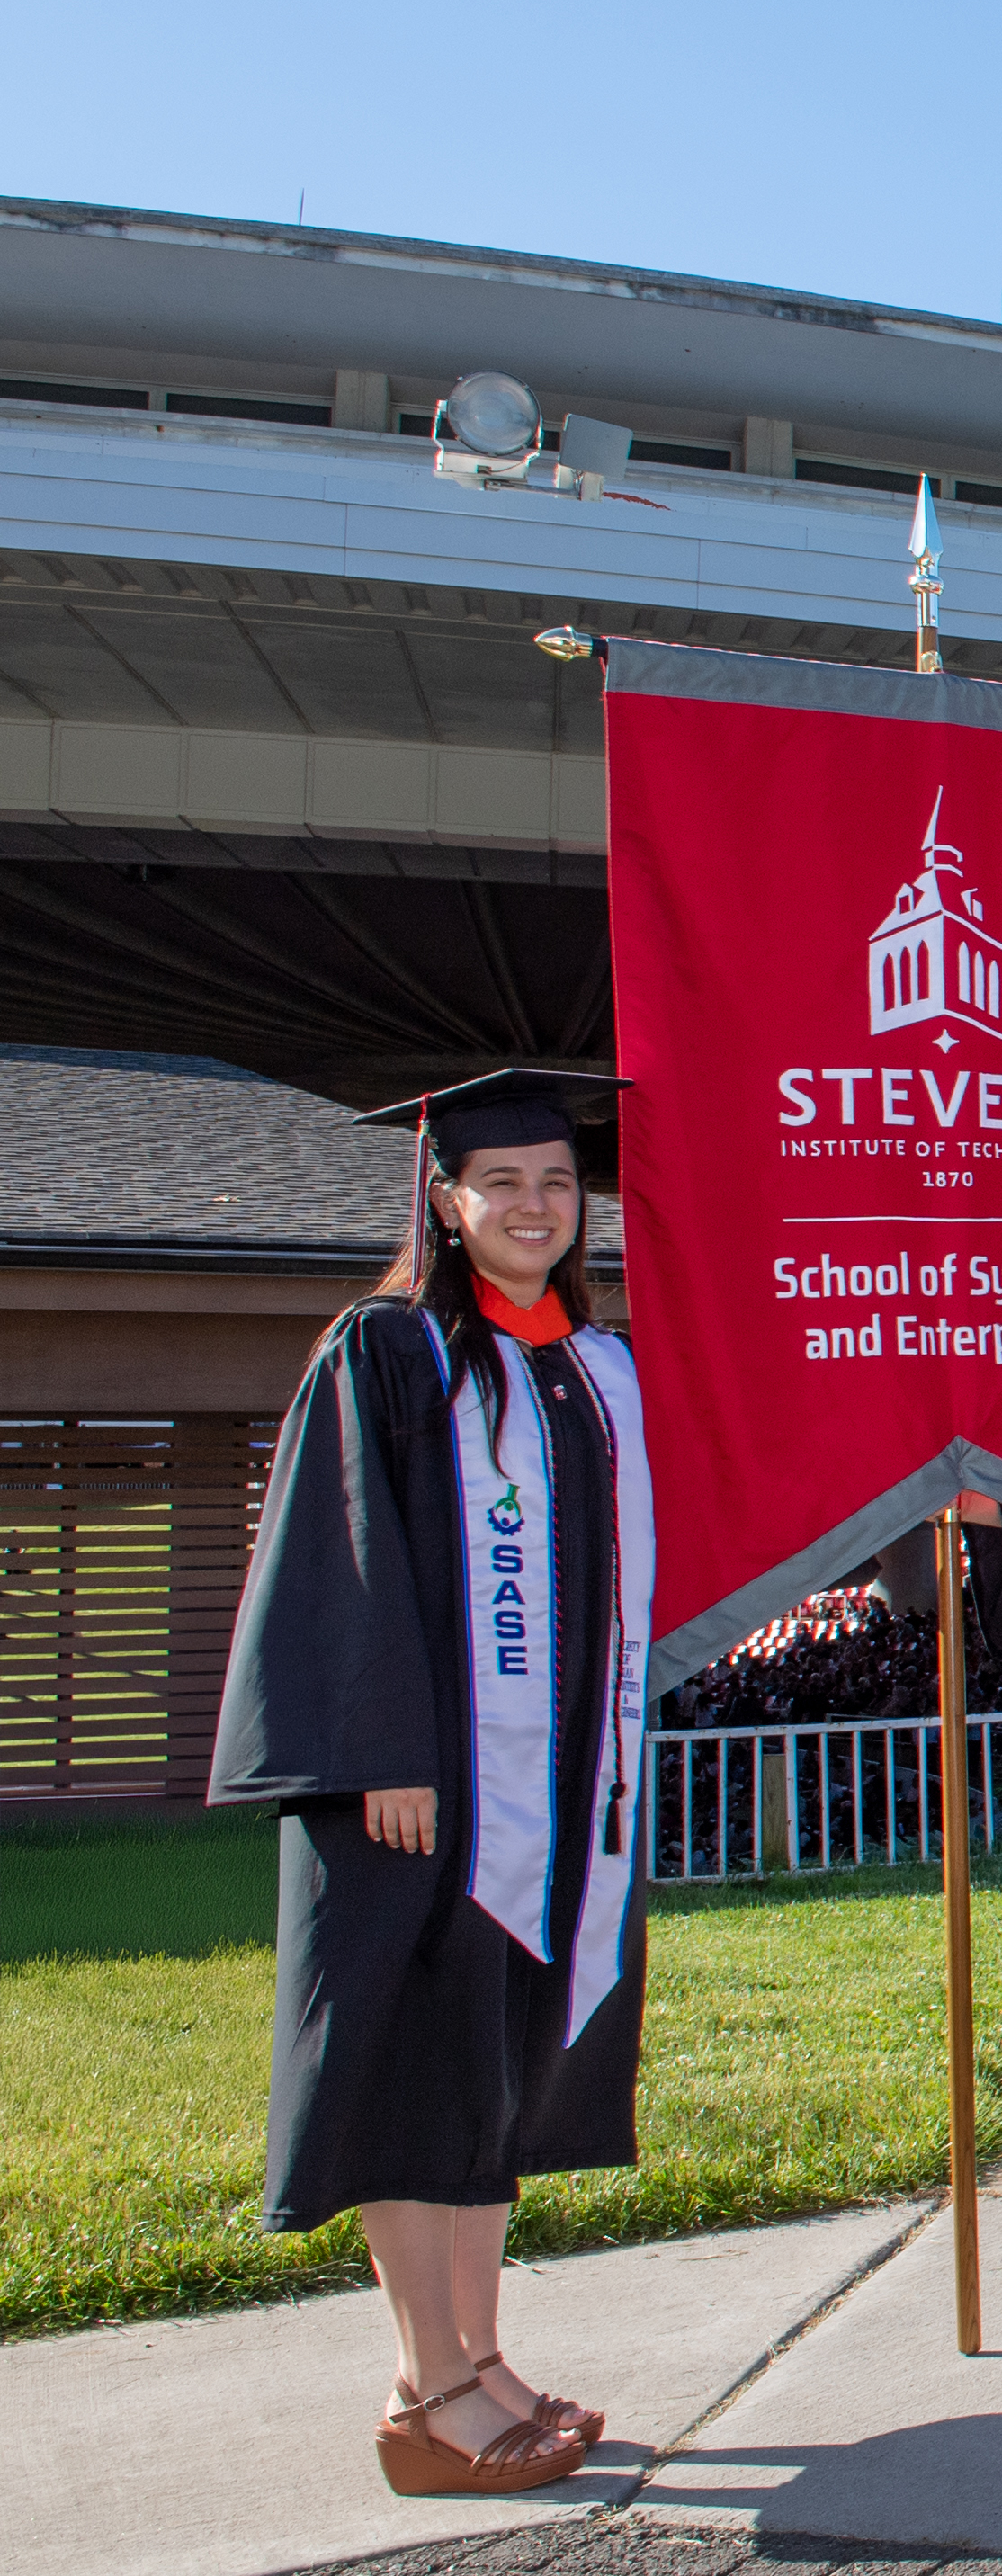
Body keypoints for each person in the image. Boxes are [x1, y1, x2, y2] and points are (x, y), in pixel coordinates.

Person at [218, 1069, 647, 2496]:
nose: (532, 1207)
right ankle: (427, 2391)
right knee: (411, 2073)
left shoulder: (588, 1369)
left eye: (554, 1185)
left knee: (488, 2068)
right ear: (446, 1203)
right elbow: (338, 1562)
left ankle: (481, 2351)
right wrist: (381, 1756)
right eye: (501, 1185)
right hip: (414, 1797)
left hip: (539, 1803)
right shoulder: (390, 1352)